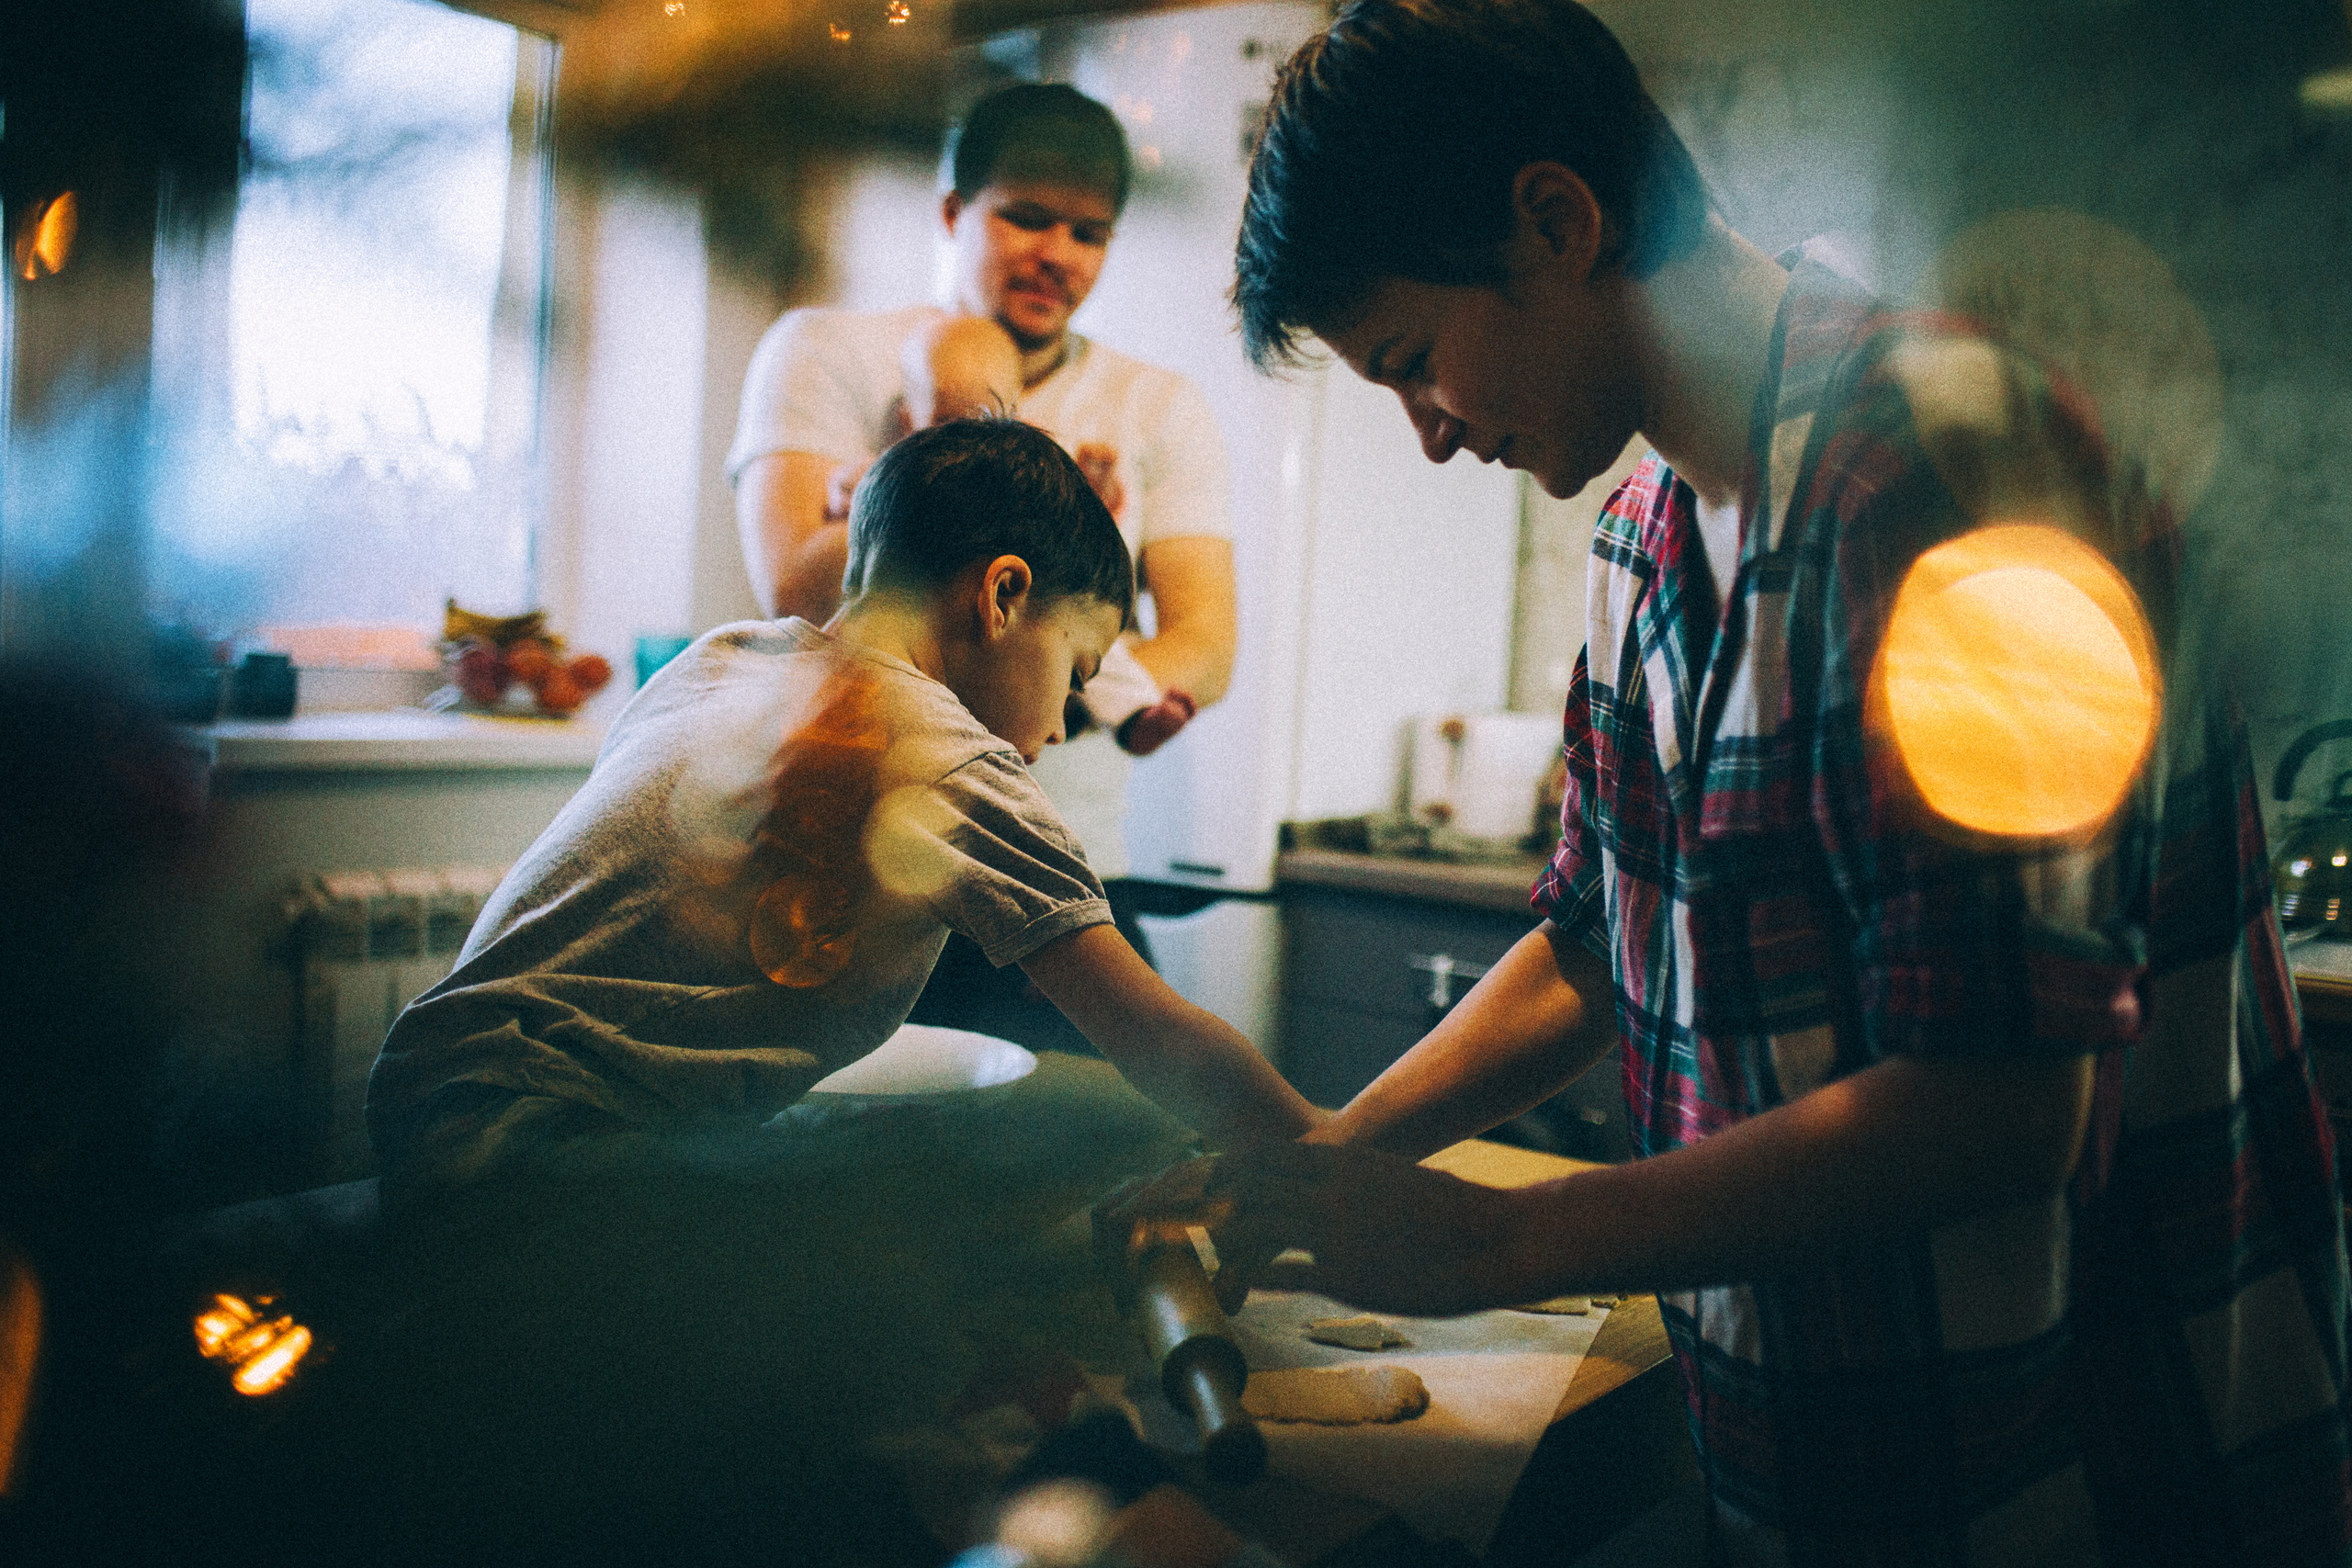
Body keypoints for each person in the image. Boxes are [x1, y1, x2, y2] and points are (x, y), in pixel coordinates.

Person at [1120, 1, 2352, 1562]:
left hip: (2101, 1460)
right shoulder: (1638, 539)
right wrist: (1321, 1167)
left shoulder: (1942, 462)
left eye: (1413, 362)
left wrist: (1509, 1237)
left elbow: (2000, 1104)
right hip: (1821, 1458)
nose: (1429, 437)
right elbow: (1588, 939)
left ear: (1557, 219)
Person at [370, 417, 1313, 1193]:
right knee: (1092, 1151)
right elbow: (1158, 1039)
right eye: (1075, 672)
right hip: (559, 1162)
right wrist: (1323, 1146)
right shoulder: (953, 758)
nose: (1064, 727)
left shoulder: (722, 659)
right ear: (1004, 594)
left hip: (432, 1111)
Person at [728, 81, 1233, 1052]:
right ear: (955, 213)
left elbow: (1207, 645)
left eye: (1089, 232)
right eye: (1026, 217)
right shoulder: (826, 350)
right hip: (849, 851)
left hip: (1064, 853)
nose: (1057, 254)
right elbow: (797, 583)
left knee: (1096, 1154)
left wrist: (1090, 690)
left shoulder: (1158, 403)